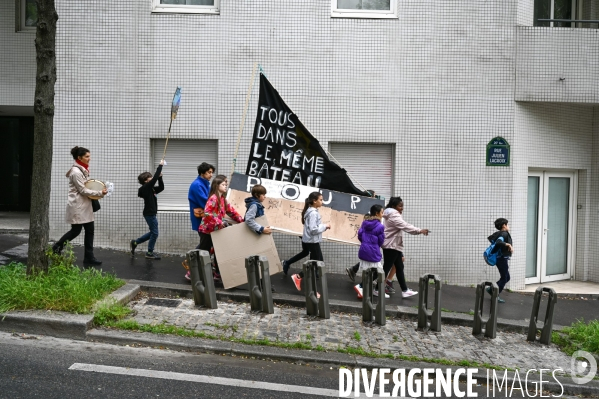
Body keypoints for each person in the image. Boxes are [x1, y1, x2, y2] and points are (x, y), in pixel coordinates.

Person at [52, 146, 107, 265]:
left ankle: (89, 257)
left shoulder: (82, 169)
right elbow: (82, 190)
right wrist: (99, 193)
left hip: (84, 205)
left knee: (89, 230)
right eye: (87, 156)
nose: (89, 158)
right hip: (78, 206)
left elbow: (86, 186)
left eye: (89, 156)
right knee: (76, 230)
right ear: (79, 157)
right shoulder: (76, 172)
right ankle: (57, 247)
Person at [382, 197, 429, 298]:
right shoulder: (394, 215)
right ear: (394, 206)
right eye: (400, 206)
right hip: (391, 245)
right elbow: (405, 226)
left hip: (394, 245)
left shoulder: (388, 213)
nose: (402, 208)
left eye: (402, 206)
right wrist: (419, 230)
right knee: (386, 268)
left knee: (399, 267)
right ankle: (377, 288)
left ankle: (405, 290)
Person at [198, 175, 244, 279]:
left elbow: (231, 211)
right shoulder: (213, 198)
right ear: (216, 185)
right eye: (223, 184)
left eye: (226, 184)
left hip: (216, 230)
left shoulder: (223, 199)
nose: (225, 186)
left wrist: (241, 221)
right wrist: (219, 222)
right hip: (207, 230)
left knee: (218, 252)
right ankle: (194, 273)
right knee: (204, 252)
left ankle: (217, 273)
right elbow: (207, 213)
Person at [286, 192, 331, 293]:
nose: (322, 202)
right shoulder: (313, 213)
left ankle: (311, 288)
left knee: (317, 262)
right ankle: (299, 277)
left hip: (311, 240)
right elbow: (313, 229)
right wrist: (325, 226)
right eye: (320, 200)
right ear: (314, 201)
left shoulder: (311, 211)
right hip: (312, 241)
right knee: (315, 263)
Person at [184, 162, 214, 280]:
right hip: (202, 219)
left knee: (206, 243)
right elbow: (206, 202)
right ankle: (191, 268)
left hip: (205, 219)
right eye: (209, 172)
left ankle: (192, 262)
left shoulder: (204, 183)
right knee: (205, 244)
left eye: (212, 172)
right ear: (202, 173)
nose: (211, 175)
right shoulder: (197, 185)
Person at [130, 160, 165, 260]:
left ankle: (135, 242)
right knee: (155, 233)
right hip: (149, 213)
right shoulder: (145, 188)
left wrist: (160, 178)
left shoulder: (151, 189)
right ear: (146, 180)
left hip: (151, 213)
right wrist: (160, 166)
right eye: (150, 177)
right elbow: (154, 180)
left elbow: (161, 187)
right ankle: (149, 252)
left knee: (153, 232)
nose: (152, 178)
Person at [353, 204, 389, 300]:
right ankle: (361, 286)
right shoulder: (380, 226)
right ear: (377, 213)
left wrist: (365, 243)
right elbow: (381, 240)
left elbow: (360, 234)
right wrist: (375, 245)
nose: (383, 214)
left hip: (364, 250)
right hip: (373, 251)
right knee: (379, 272)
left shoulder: (365, 223)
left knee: (367, 271)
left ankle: (361, 291)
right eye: (382, 212)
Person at [486, 218, 513, 303]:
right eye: (507, 224)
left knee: (507, 277)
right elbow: (498, 243)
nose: (509, 226)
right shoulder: (504, 234)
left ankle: (491, 289)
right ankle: (495, 295)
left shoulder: (499, 233)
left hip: (500, 258)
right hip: (501, 259)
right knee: (504, 278)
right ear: (504, 225)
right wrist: (508, 244)